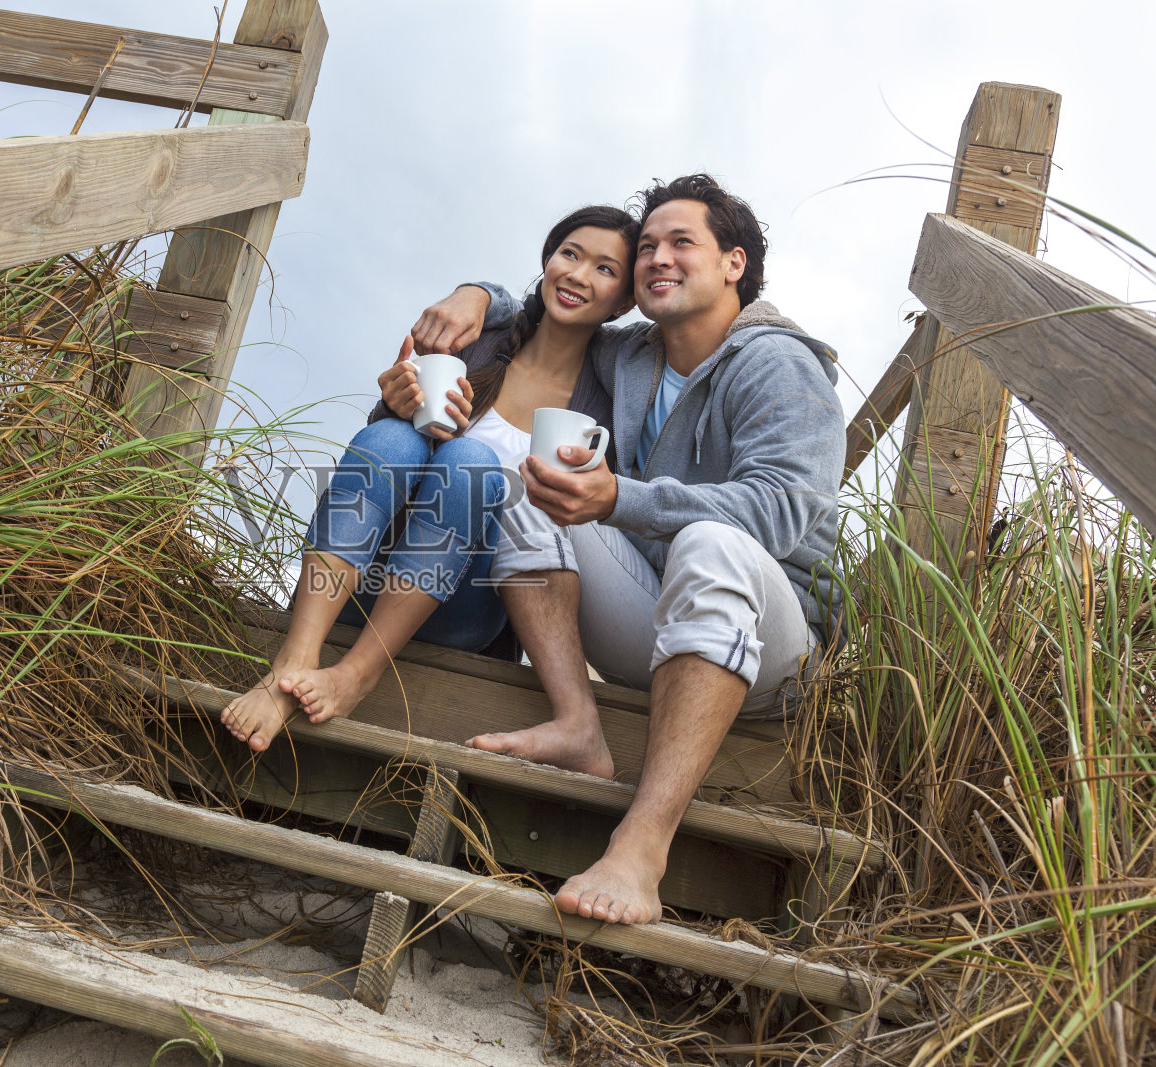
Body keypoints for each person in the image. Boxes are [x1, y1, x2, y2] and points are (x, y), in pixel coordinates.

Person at [409, 174, 846, 924]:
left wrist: (622, 497)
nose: (658, 258)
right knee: (532, 478)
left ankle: (641, 846)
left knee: (715, 541)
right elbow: (562, 304)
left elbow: (780, 513)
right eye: (648, 246)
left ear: (734, 263)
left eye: (683, 242)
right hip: (662, 617)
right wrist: (476, 293)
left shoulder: (780, 364)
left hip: (775, 646)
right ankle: (579, 723)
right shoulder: (635, 355)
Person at [220, 205, 639, 753]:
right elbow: (380, 464)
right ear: (547, 259)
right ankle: (293, 661)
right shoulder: (479, 343)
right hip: (360, 581)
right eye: (571, 254)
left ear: (627, 299)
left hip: (465, 606)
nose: (580, 275)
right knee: (394, 439)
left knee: (470, 463)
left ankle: (358, 674)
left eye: (606, 270)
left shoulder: (608, 408)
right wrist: (393, 405)